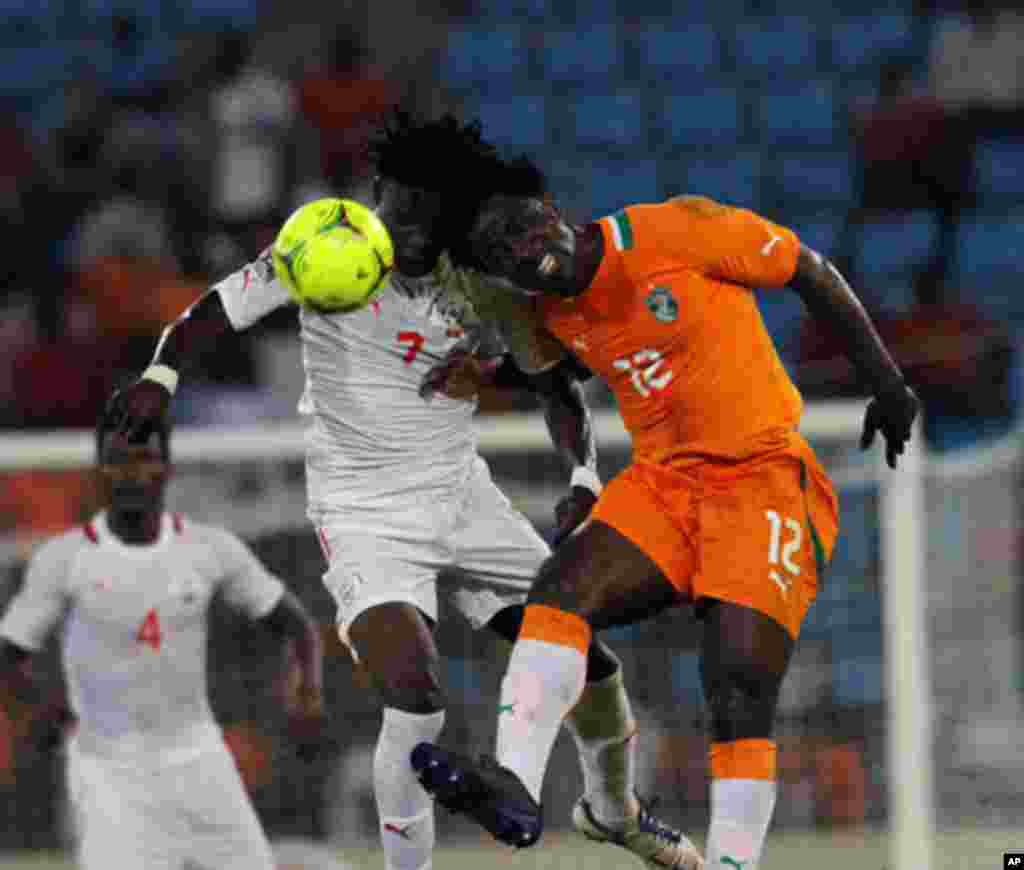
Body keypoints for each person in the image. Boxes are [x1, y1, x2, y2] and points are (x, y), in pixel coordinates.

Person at [103, 113, 702, 870]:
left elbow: (559, 390)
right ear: (378, 192)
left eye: (433, 212)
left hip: (464, 499)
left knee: (589, 661)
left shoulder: (485, 280)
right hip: (363, 515)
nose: (413, 228)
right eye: (402, 207)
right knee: (416, 694)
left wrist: (584, 478)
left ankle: (615, 813)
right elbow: (211, 310)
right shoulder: (322, 248)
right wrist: (161, 379)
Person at [411, 192, 920, 870]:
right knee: (558, 594)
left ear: (554, 214)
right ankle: (515, 785)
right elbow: (558, 380)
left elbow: (810, 270)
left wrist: (887, 385)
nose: (525, 256)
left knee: (738, 685)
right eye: (507, 258)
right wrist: (521, 415)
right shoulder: (547, 310)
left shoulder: (677, 229)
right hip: (663, 484)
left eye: (524, 234)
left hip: (760, 477)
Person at [0, 413, 323, 869]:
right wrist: (44, 709)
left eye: (145, 460)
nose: (132, 474)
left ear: (168, 467)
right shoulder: (65, 559)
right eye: (117, 462)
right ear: (101, 470)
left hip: (199, 757)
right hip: (109, 768)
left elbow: (295, 625)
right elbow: (10, 654)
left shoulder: (210, 548)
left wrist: (306, 688)